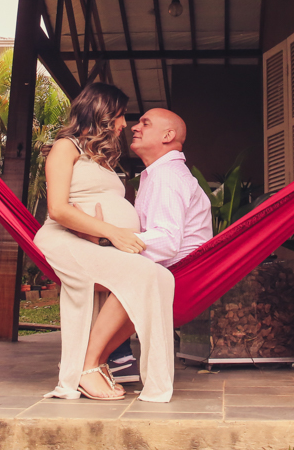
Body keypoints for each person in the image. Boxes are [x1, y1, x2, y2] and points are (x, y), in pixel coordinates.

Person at [34, 84, 176, 402]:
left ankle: (94, 364)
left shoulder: (100, 158)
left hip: (95, 242)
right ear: (102, 112)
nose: (124, 124)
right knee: (145, 276)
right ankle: (85, 368)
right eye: (121, 115)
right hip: (64, 240)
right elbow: (58, 208)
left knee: (159, 278)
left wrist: (107, 234)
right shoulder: (65, 147)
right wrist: (110, 233)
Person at [106, 108, 213, 384]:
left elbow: (165, 241)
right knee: (92, 271)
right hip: (168, 271)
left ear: (168, 135)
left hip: (177, 276)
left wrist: (112, 242)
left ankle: (107, 357)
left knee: (84, 272)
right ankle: (115, 357)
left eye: (145, 123)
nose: (134, 128)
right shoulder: (158, 174)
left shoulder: (167, 177)